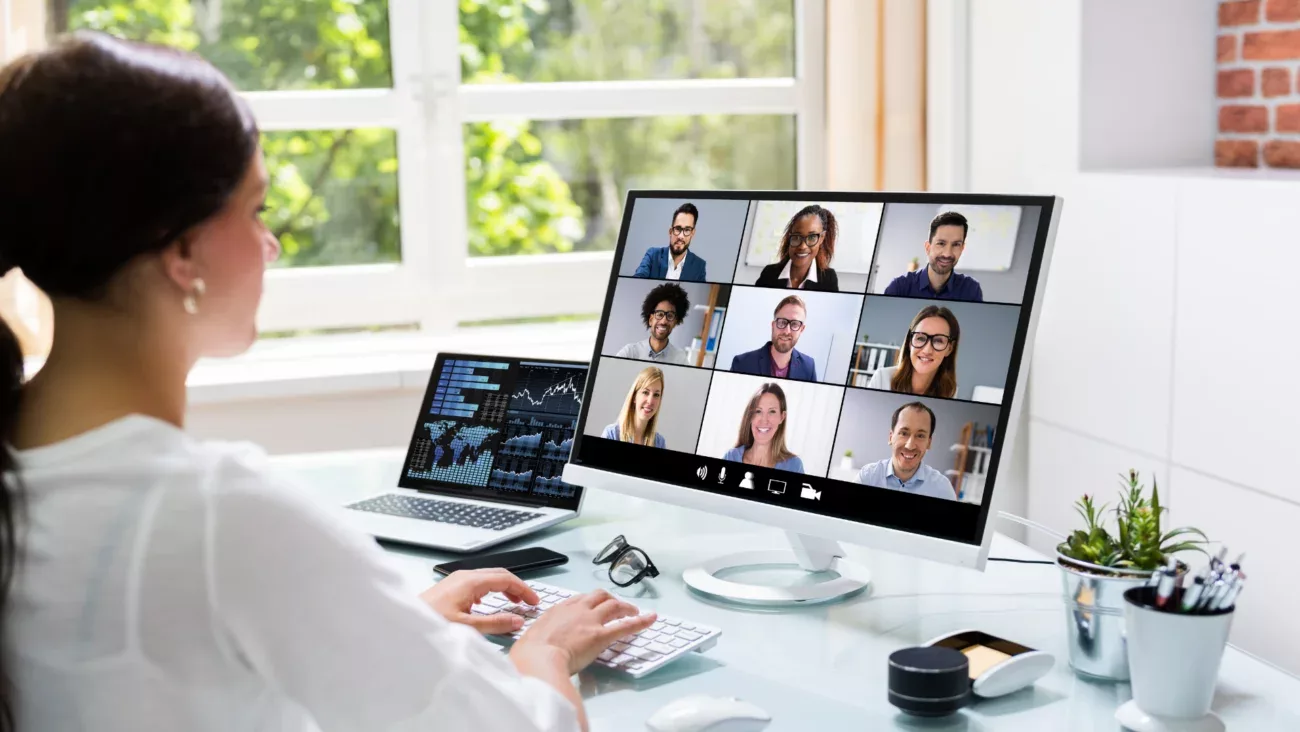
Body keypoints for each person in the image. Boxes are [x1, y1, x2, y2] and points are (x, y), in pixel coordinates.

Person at [0, 33, 655, 732]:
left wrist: (394, 631)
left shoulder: (26, 462)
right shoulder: (219, 515)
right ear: (183, 250)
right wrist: (545, 652)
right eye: (255, 212)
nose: (270, 244)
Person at [856, 402, 956, 500]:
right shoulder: (868, 477)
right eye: (904, 433)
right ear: (891, 437)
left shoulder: (943, 489)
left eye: (920, 436)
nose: (910, 445)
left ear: (929, 443)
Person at [883, 211, 984, 302]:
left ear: (962, 248)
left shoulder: (971, 289)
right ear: (928, 247)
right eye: (941, 243)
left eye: (956, 244)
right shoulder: (899, 287)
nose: (947, 254)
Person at [866, 305, 961, 399]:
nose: (927, 350)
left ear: (949, 349)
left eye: (938, 341)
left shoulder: (951, 391)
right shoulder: (882, 378)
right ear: (909, 342)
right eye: (920, 338)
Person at [729, 295, 817, 382]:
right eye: (782, 322)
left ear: (802, 329)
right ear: (773, 325)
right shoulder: (742, 363)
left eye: (794, 324)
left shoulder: (809, 367)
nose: (787, 331)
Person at [722, 383, 805, 473]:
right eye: (758, 411)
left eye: (772, 411)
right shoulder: (730, 457)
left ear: (782, 417)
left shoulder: (794, 466)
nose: (764, 420)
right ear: (750, 416)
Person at [754, 204, 840, 291]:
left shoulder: (828, 279)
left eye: (812, 237)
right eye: (797, 236)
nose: (802, 246)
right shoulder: (769, 273)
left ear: (822, 238)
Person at [614, 282, 691, 365]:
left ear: (675, 322)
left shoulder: (680, 359)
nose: (664, 321)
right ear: (650, 319)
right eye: (659, 314)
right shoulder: (630, 353)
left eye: (670, 316)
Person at [632, 202, 708, 281]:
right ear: (670, 231)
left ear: (692, 233)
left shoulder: (699, 266)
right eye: (678, 229)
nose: (681, 236)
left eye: (687, 230)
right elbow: (637, 279)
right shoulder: (652, 255)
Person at [601, 367, 667, 449]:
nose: (650, 401)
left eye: (656, 395)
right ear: (634, 397)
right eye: (645, 392)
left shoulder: (659, 442)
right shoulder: (611, 434)